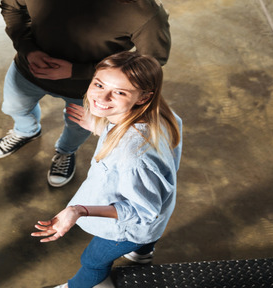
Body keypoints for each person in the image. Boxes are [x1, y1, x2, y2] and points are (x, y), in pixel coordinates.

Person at [0, 0, 171, 188]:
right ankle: (26, 131)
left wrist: (80, 72)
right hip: (28, 70)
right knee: (15, 107)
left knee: (78, 128)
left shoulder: (145, 10)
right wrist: (28, 49)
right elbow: (12, 9)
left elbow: (152, 61)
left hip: (89, 91)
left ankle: (66, 151)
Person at [32, 52, 182, 288]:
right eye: (99, 84)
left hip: (127, 227)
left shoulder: (131, 155)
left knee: (92, 261)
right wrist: (103, 127)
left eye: (120, 92)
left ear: (144, 97)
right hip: (157, 216)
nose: (101, 97)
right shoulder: (162, 115)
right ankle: (142, 254)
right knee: (145, 238)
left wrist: (78, 210)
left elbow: (143, 211)